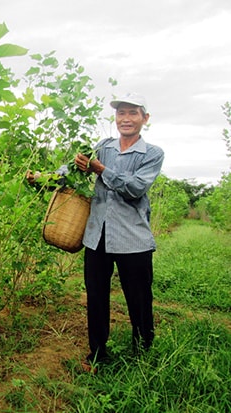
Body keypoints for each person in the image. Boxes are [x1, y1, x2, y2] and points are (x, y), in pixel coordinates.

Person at [74, 93, 164, 370]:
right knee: (96, 297)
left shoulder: (152, 153)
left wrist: (101, 170)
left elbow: (136, 188)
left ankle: (143, 352)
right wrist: (43, 178)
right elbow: (73, 169)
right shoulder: (103, 147)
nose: (126, 118)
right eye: (121, 113)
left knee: (138, 298)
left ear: (144, 119)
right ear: (115, 118)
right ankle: (98, 353)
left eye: (133, 113)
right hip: (97, 236)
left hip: (132, 238)